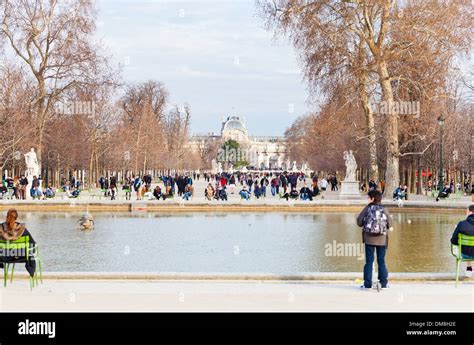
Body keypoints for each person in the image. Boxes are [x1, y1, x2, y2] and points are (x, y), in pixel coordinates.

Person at [356, 190, 391, 289]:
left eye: (368, 197)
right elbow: (390, 224)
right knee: (381, 261)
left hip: (369, 239)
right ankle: (383, 284)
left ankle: (367, 284)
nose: (367, 199)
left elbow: (359, 222)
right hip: (382, 240)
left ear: (372, 198)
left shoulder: (367, 208)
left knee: (369, 262)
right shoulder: (384, 209)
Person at [0, 209, 36, 278]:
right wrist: (31, 252)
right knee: (30, 255)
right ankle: (32, 273)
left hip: (3, 257)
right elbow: (32, 244)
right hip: (21, 256)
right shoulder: (22, 229)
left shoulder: (1, 228)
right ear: (16, 218)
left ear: (7, 216)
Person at [450, 205, 474, 277]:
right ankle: (469, 269)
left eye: (466, 211)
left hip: (465, 254)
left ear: (470, 212)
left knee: (467, 248)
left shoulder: (461, 224)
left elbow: (453, 241)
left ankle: (469, 268)